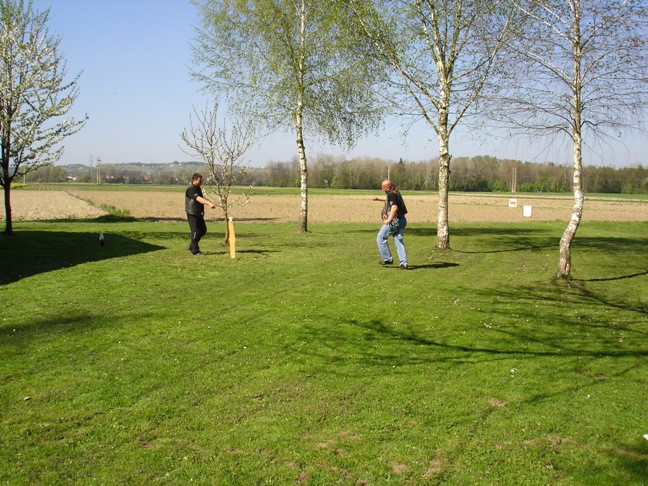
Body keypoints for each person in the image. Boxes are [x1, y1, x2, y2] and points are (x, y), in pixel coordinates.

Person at [373, 179, 409, 269]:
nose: (383, 190)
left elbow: (394, 207)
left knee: (380, 238)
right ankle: (404, 263)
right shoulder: (396, 192)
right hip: (402, 220)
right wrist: (378, 199)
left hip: (395, 221)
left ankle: (387, 258)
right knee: (398, 240)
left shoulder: (391, 194)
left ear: (388, 187)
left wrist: (388, 220)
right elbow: (389, 199)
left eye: (383, 188)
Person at [185, 173, 217, 255]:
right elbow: (198, 199)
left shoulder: (198, 188)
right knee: (195, 231)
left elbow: (200, 200)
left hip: (198, 212)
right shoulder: (191, 189)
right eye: (199, 181)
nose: (200, 182)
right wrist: (209, 203)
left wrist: (202, 210)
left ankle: (192, 244)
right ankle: (195, 250)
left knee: (203, 230)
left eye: (201, 181)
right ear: (194, 180)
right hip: (192, 212)